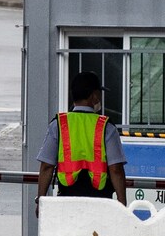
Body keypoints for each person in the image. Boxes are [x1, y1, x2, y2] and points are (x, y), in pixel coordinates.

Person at [35, 71, 128, 214]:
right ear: (94, 96)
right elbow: (116, 169)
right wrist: (122, 205)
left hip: (67, 202)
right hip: (100, 203)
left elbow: (47, 166)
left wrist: (40, 201)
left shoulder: (59, 124)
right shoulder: (106, 127)